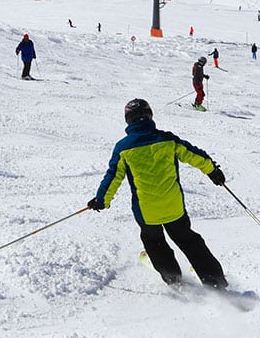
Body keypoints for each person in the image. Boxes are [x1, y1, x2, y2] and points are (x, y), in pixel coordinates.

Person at [88, 99, 228, 289]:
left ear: (128, 120)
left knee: (154, 243)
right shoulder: (167, 139)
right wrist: (213, 171)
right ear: (150, 116)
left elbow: (113, 176)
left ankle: (174, 280)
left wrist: (101, 200)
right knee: (188, 240)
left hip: (146, 212)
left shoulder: (123, 147)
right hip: (174, 206)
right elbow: (194, 155)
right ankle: (215, 280)